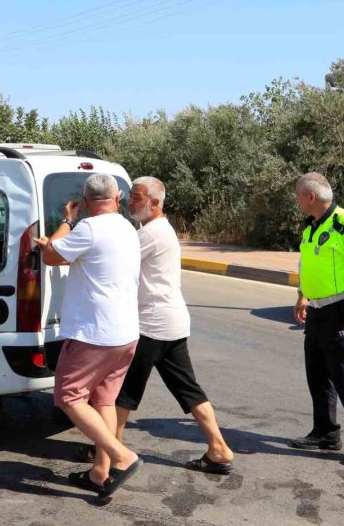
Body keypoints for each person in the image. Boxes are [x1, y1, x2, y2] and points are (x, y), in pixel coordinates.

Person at [110, 176, 234, 474]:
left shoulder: (151, 234)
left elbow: (116, 261)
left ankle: (110, 451)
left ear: (155, 203)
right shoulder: (158, 229)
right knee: (189, 390)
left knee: (124, 391)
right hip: (171, 323)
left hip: (151, 326)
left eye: (137, 197)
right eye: (130, 196)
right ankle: (218, 448)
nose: (130, 202)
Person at [35, 173, 142, 498]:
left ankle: (122, 456)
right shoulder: (128, 228)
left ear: (84, 202)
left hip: (94, 335)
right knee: (103, 400)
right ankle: (100, 472)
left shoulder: (88, 229)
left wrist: (67, 222)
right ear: (118, 198)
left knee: (69, 397)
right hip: (125, 334)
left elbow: (50, 255)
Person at [291, 172, 344, 466]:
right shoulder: (312, 226)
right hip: (317, 312)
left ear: (311, 197)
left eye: (298, 196)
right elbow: (307, 263)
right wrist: (302, 295)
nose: (297, 201)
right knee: (317, 375)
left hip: (341, 310)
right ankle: (325, 432)